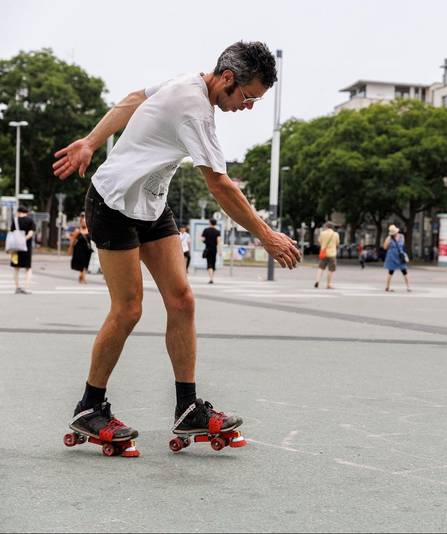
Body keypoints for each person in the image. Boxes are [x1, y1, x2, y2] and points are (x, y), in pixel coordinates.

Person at [52, 41, 301, 453]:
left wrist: (91, 142)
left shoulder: (187, 80)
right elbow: (220, 184)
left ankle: (188, 409)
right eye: (249, 96)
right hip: (112, 203)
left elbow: (133, 99)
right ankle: (88, 407)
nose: (249, 106)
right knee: (129, 308)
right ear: (226, 79)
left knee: (182, 300)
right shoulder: (195, 109)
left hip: (149, 204)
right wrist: (266, 235)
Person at [9, 206, 35, 294]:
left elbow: (11, 233)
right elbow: (30, 233)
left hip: (15, 248)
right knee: (28, 268)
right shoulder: (30, 221)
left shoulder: (15, 220)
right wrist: (23, 240)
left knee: (16, 268)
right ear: (26, 212)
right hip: (26, 248)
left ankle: (17, 287)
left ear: (18, 212)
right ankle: (25, 288)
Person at [383, 224, 411, 292]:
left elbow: (401, 245)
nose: (395, 234)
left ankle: (408, 287)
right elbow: (385, 247)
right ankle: (387, 287)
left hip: (400, 256)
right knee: (391, 271)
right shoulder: (389, 238)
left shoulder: (402, 236)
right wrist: (388, 240)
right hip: (392, 256)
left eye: (395, 232)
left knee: (404, 271)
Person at [67, 213, 93, 284]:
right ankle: (83, 277)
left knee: (86, 264)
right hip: (79, 250)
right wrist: (70, 248)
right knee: (82, 264)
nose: (84, 223)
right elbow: (72, 240)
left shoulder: (89, 231)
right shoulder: (77, 231)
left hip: (87, 250)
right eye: (83, 222)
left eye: (85, 222)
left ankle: (81, 276)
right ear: (81, 223)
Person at [314, 222, 339, 289]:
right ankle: (329, 284)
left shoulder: (322, 233)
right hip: (332, 253)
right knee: (330, 269)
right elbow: (337, 244)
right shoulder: (335, 234)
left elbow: (320, 241)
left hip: (323, 253)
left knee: (320, 268)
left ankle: (317, 281)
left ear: (326, 227)